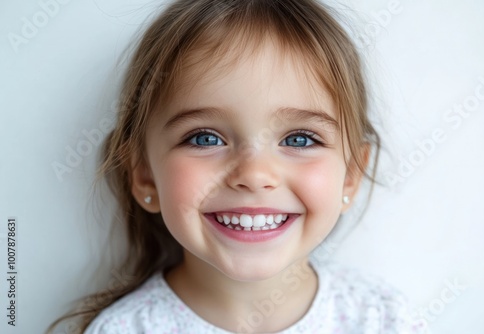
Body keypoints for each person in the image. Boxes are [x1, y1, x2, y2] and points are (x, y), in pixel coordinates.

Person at [53, 0, 427, 332]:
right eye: (205, 138)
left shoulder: (384, 320)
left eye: (299, 139)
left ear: (350, 176)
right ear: (144, 174)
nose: (254, 174)